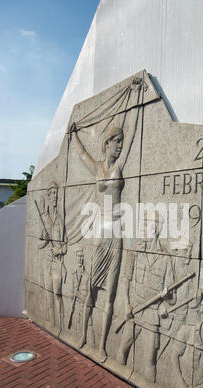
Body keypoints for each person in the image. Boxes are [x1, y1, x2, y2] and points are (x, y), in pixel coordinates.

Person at [69, 78, 142, 362]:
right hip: (101, 234)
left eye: (122, 142)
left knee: (109, 294)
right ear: (108, 143)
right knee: (90, 288)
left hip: (117, 235)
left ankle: (100, 346)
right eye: (117, 142)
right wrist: (72, 133)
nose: (121, 146)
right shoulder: (99, 167)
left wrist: (136, 98)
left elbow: (134, 132)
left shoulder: (119, 167)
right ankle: (84, 336)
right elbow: (81, 153)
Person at [116, 213, 176, 383]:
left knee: (150, 359)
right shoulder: (134, 252)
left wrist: (167, 297)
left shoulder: (165, 259)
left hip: (151, 315)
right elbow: (125, 281)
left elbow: (172, 300)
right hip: (134, 310)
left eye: (146, 226)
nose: (142, 230)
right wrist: (127, 305)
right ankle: (117, 379)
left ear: (156, 229)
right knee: (124, 347)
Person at [38, 181, 67, 332]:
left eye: (56, 193)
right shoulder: (44, 218)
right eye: (52, 193)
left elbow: (66, 245)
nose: (55, 196)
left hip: (57, 262)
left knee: (58, 293)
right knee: (49, 293)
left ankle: (60, 326)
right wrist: (46, 240)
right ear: (48, 197)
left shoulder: (60, 219)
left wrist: (59, 250)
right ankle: (52, 324)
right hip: (47, 261)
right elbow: (39, 244)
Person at [69, 248, 93, 345]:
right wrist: (73, 295)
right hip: (75, 313)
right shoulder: (73, 275)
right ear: (75, 258)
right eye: (78, 256)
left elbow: (90, 302)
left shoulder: (87, 277)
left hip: (85, 316)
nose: (80, 259)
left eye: (81, 256)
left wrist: (79, 296)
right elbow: (70, 295)